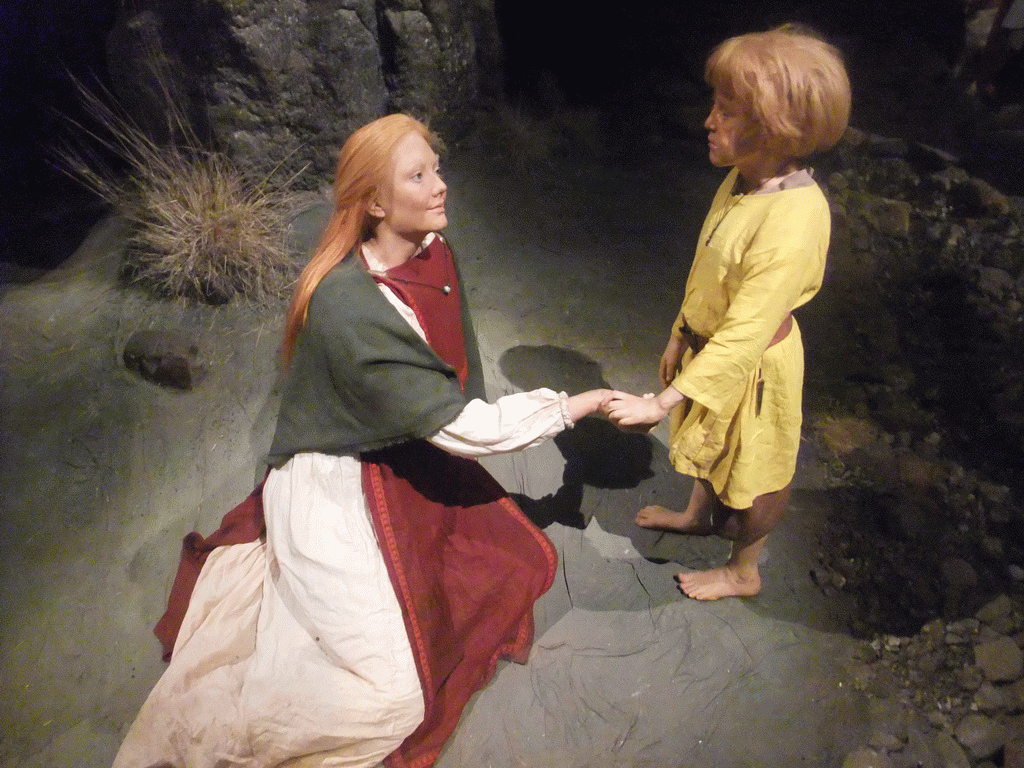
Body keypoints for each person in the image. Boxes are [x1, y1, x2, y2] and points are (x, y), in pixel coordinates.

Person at [113, 113, 611, 768]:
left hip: (407, 452)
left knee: (494, 568)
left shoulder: (435, 255)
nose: (440, 187)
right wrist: (578, 405)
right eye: (417, 175)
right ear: (374, 202)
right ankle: (225, 737)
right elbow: (464, 426)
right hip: (338, 484)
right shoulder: (349, 303)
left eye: (437, 168)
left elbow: (460, 383)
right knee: (393, 699)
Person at [605, 25, 851, 601]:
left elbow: (745, 332)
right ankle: (697, 515)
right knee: (707, 446)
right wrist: (678, 335)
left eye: (727, 112)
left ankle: (745, 569)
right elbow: (708, 268)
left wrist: (662, 399)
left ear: (775, 129)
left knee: (752, 472)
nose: (708, 122)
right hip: (709, 347)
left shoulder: (795, 218)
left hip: (754, 366)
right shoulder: (744, 181)